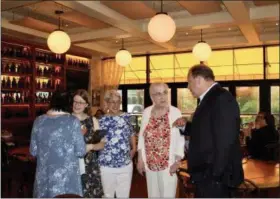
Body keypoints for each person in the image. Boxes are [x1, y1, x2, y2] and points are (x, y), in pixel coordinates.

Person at [173, 64, 244, 198]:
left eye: (189, 82)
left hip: (215, 177)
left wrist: (215, 176)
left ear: (198, 79)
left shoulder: (221, 98)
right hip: (208, 174)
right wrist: (185, 126)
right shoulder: (209, 98)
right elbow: (205, 132)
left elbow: (225, 141)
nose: (188, 87)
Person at [30, 91, 96, 198]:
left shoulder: (38, 121)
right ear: (68, 104)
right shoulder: (73, 121)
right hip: (67, 181)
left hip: (44, 178)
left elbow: (33, 151)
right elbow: (80, 151)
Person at [137, 83, 185, 198]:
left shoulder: (175, 112)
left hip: (168, 164)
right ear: (151, 97)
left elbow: (180, 139)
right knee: (153, 195)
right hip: (150, 162)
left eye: (165, 92)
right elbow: (142, 136)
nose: (162, 96)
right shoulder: (146, 112)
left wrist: (177, 162)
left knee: (168, 195)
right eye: (158, 94)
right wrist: (140, 159)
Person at [98, 90, 136, 198]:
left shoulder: (127, 117)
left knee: (124, 196)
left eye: (117, 102)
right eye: (112, 102)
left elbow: (132, 133)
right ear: (107, 103)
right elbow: (97, 140)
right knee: (108, 195)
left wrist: (134, 148)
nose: (115, 105)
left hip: (125, 164)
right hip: (106, 165)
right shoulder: (101, 120)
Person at [72, 89, 105, 198]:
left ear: (86, 104)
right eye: (75, 101)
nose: (77, 105)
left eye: (80, 102)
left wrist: (91, 146)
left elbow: (102, 143)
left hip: (90, 165)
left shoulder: (93, 120)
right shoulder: (66, 119)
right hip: (71, 164)